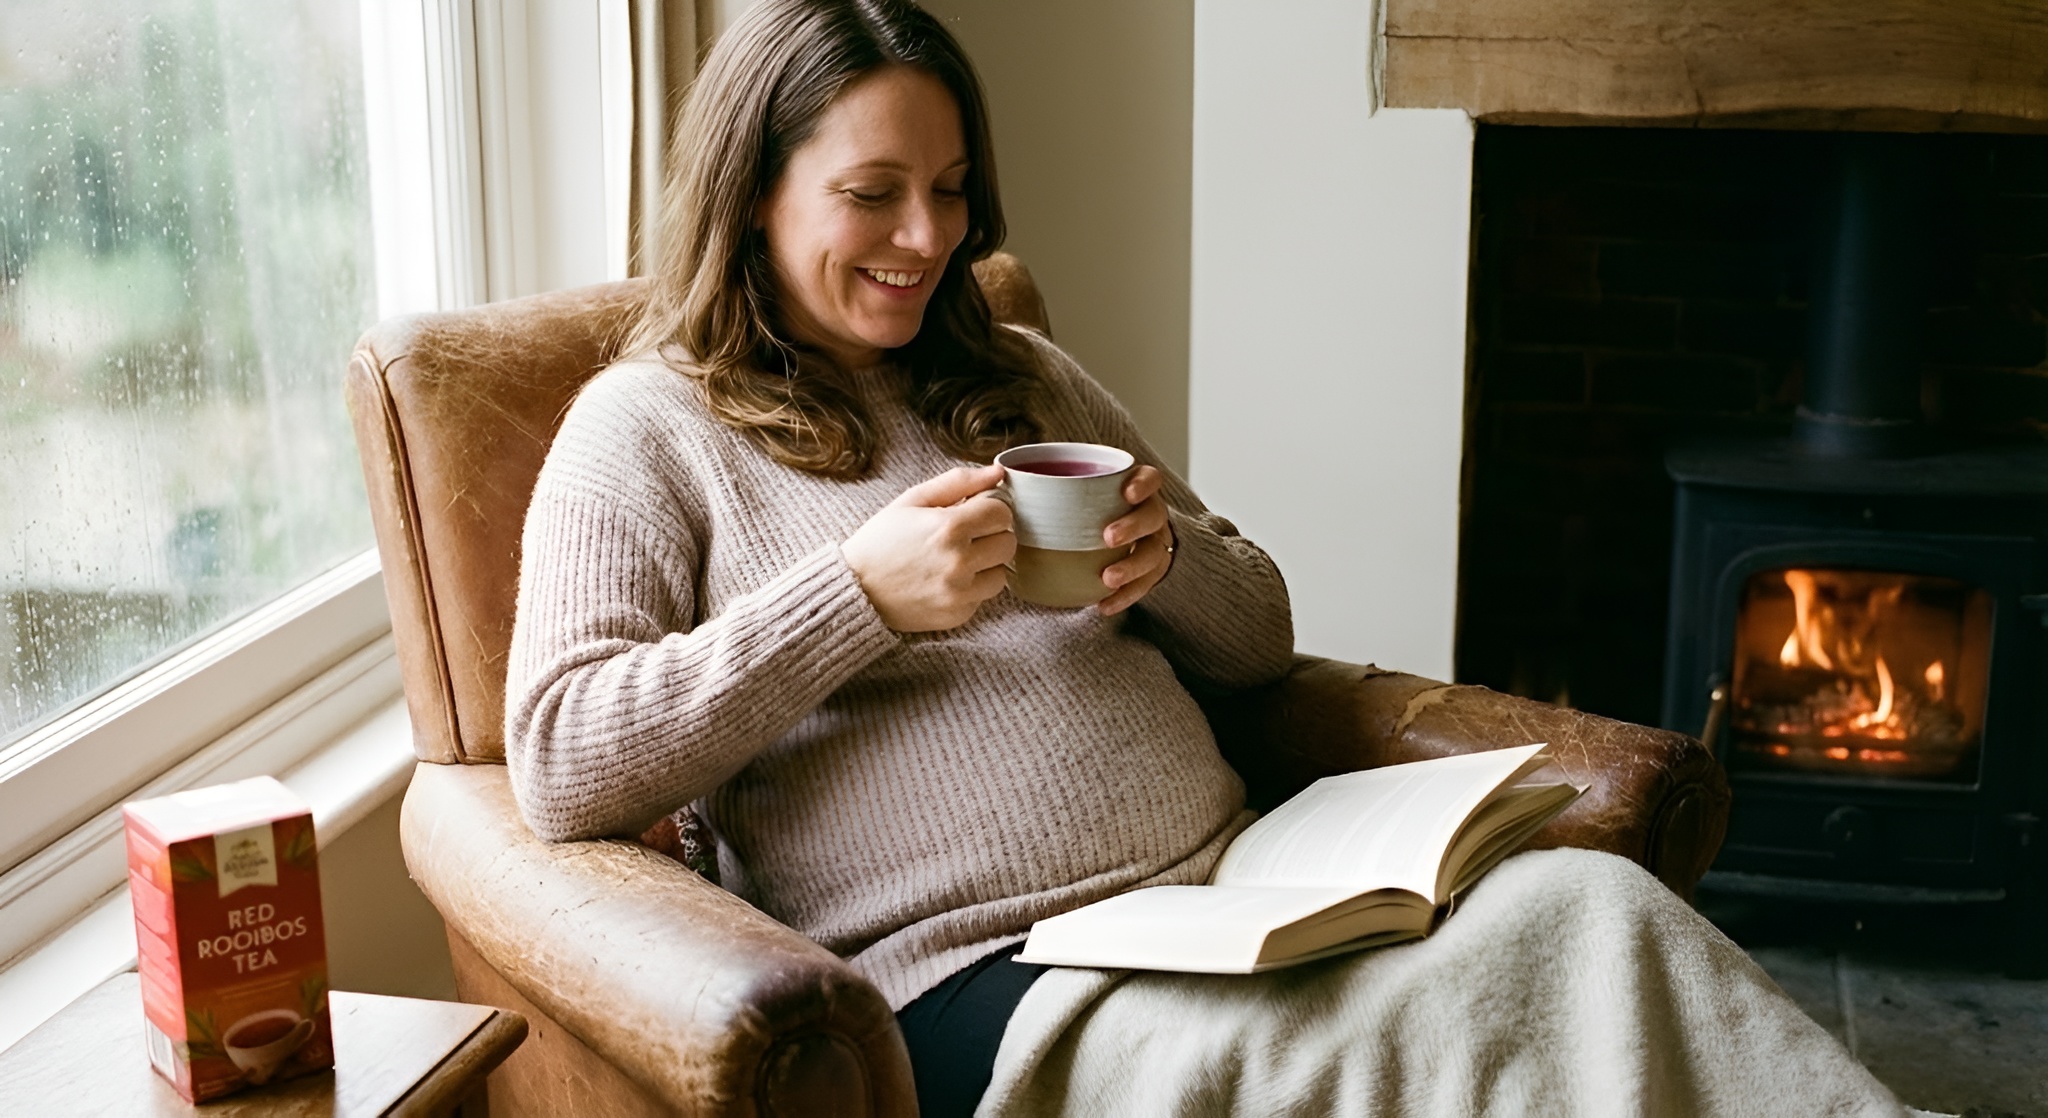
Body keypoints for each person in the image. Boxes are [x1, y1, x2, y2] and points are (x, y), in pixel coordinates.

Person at [504, 2, 1914, 1115]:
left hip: (1239, 887)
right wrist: (857, 598)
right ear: (754, 192)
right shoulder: (648, 428)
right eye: (874, 194)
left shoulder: (1019, 377)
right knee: (1361, 1052)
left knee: (1586, 904)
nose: (931, 239)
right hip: (998, 979)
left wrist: (1162, 555)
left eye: (949, 190)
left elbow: (1258, 635)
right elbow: (562, 758)